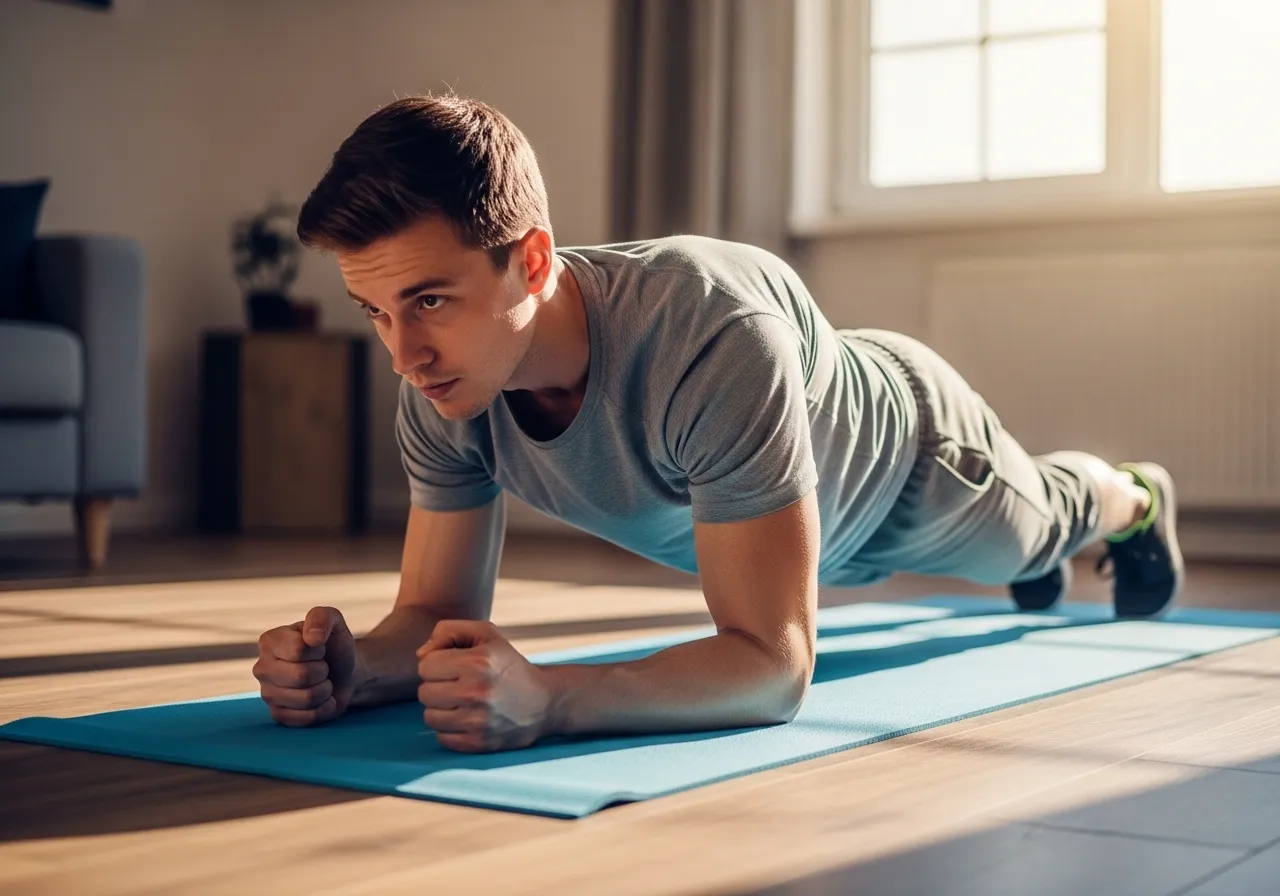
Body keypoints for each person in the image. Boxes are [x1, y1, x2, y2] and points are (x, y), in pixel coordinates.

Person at [253, 94, 1183, 754]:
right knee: (1015, 556)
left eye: (429, 301)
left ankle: (1133, 498)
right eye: (375, 312)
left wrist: (552, 701)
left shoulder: (713, 336)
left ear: (531, 261)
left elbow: (773, 669)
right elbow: (434, 617)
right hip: (794, 514)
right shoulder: (444, 382)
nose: (403, 354)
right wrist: (354, 670)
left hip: (914, 468)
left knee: (1041, 528)